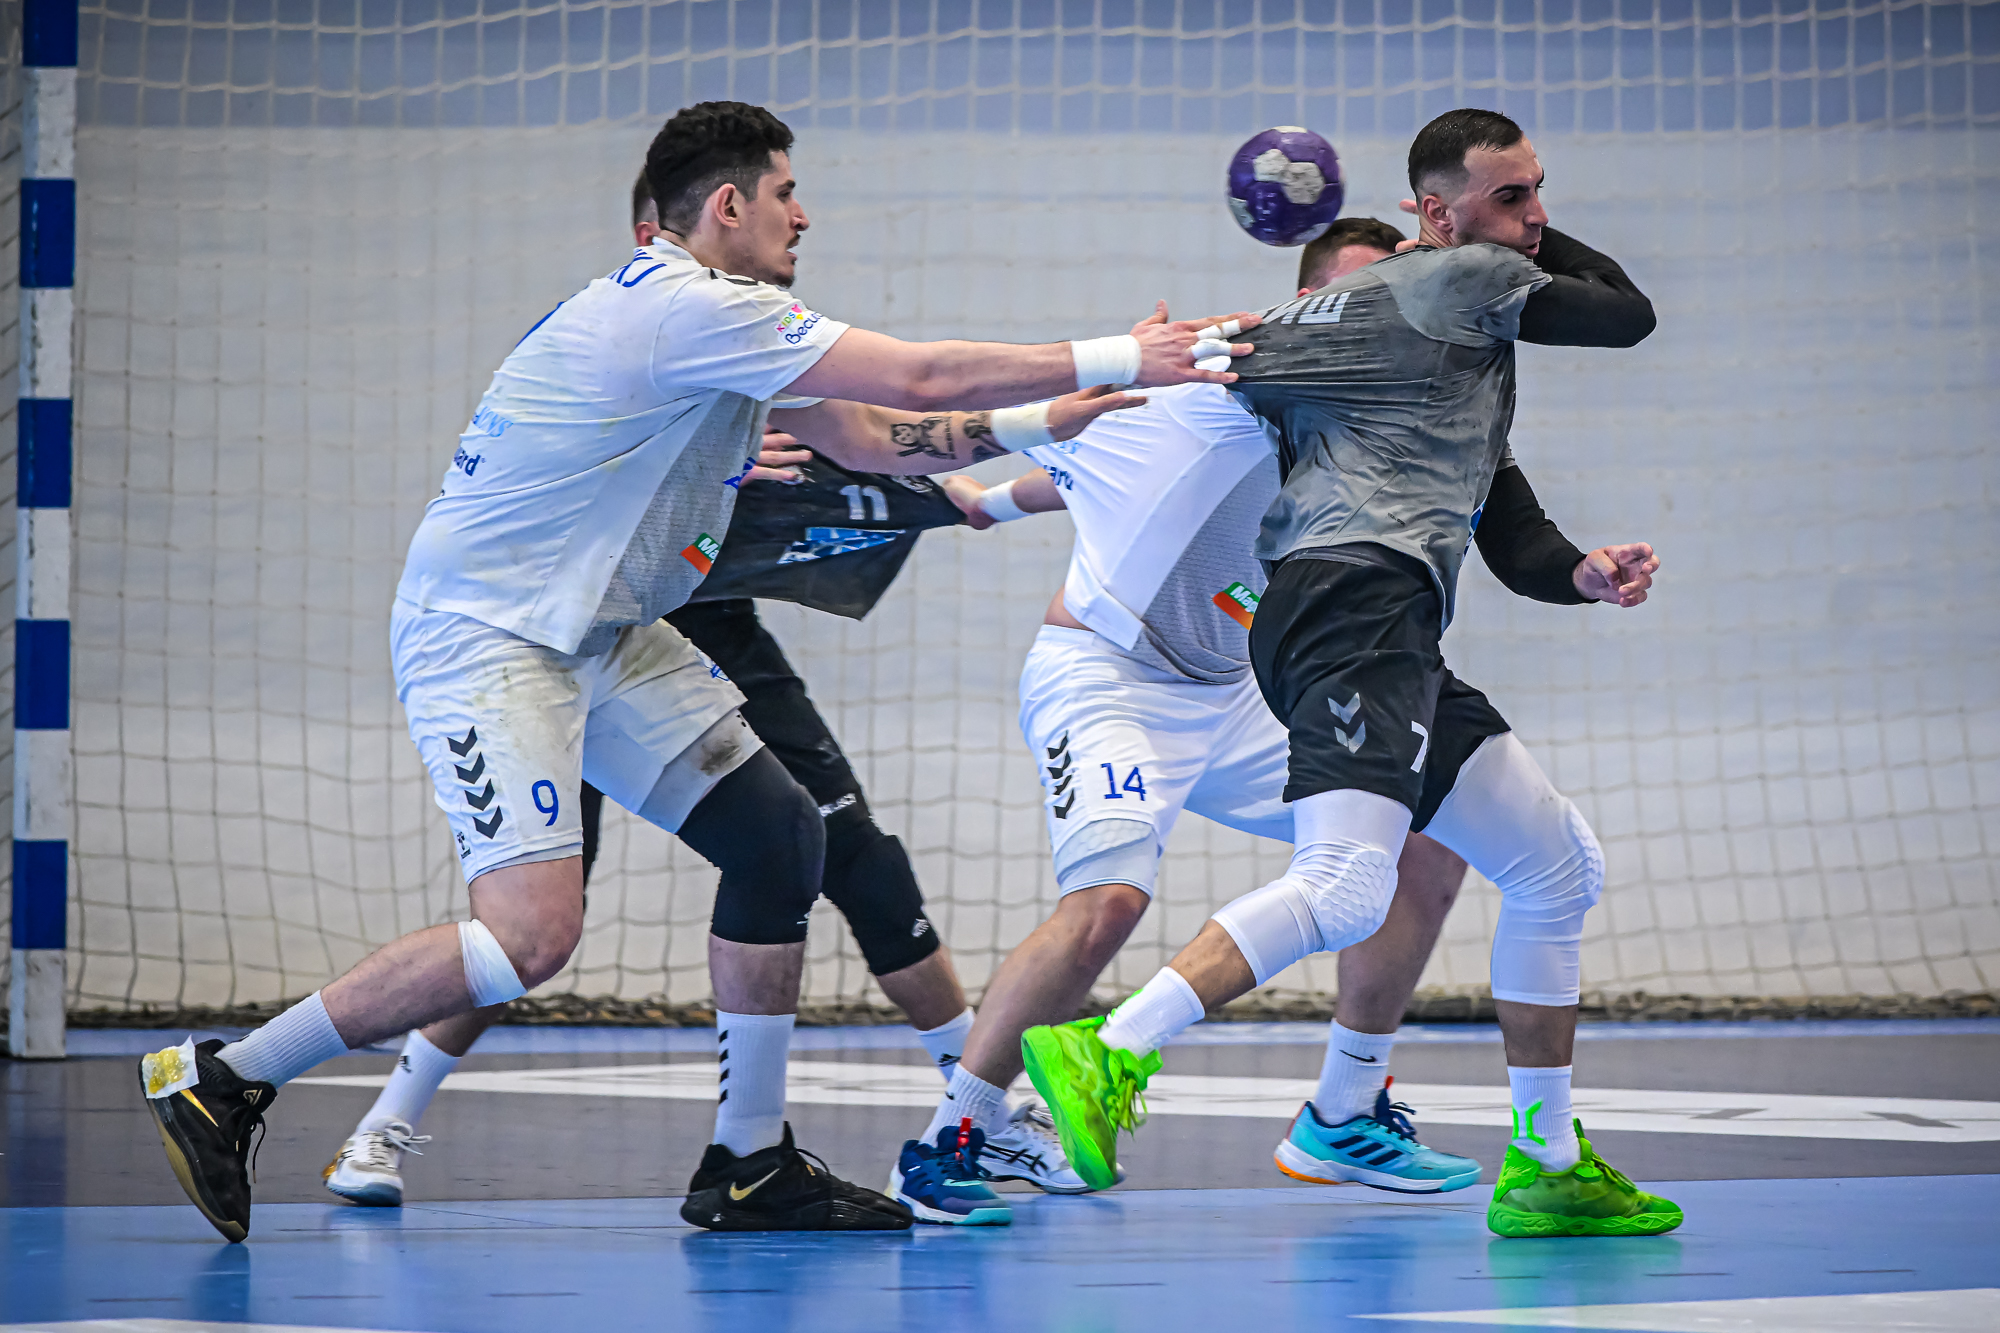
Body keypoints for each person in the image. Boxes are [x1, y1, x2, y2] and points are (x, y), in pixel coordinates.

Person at [138, 99, 1257, 1242]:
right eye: (785, 194)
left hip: (605, 630)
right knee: (528, 940)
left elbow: (869, 436)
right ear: (727, 205)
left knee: (778, 837)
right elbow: (920, 378)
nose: (801, 217)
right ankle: (226, 1075)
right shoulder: (686, 308)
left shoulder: (723, 324)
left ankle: (748, 1162)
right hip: (491, 636)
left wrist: (1047, 419)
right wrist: (1129, 355)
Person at [318, 178, 1097, 1210]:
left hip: (696, 631)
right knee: (533, 918)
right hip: (558, 631)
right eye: (781, 195)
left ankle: (966, 1113)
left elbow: (919, 459)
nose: (799, 218)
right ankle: (380, 1116)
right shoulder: (644, 333)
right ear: (683, 228)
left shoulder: (768, 355)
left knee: (838, 850)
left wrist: (1074, 447)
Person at [887, 215, 1649, 1225]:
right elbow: (1091, 443)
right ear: (1308, 308)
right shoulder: (1224, 373)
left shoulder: (1396, 416)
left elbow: (1507, 520)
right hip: (1112, 678)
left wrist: (1579, 571)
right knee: (1108, 901)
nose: (1389, 319)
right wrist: (981, 499)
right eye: (1362, 299)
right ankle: (952, 1137)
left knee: (1426, 837)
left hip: (1240, 688)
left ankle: (1345, 1106)